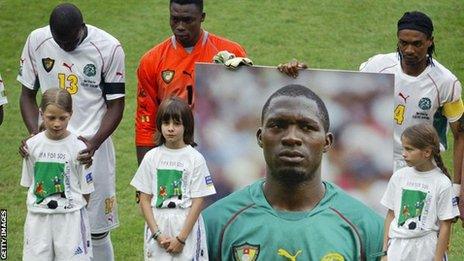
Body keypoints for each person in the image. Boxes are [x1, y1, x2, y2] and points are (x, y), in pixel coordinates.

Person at [278, 11, 464, 222]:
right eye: (403, 43)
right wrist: (302, 74)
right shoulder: (378, 65)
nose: (409, 50)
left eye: (417, 44)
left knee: (417, 234)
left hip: (420, 168)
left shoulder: (446, 82)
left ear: (430, 41)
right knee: (371, 231)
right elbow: (343, 87)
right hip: (385, 158)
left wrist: (458, 189)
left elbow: (460, 135)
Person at [202, 84, 384, 260]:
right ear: (260, 137)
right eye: (278, 125)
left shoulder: (369, 229)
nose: (291, 138)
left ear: (327, 142)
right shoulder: (214, 223)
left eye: (307, 127)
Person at [17, 3, 125, 260]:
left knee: (97, 231)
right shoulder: (37, 40)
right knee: (49, 225)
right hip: (49, 150)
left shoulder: (109, 47)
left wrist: (94, 143)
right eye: (59, 41)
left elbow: (116, 104)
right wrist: (36, 136)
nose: (65, 46)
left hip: (90, 150)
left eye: (71, 41)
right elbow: (26, 95)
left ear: (82, 28)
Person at [135, 0, 247, 164]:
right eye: (174, 19)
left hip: (216, 150)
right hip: (172, 152)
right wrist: (145, 177)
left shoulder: (231, 53)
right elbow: (146, 121)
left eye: (187, 20)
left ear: (202, 17)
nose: (180, 26)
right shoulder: (151, 60)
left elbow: (244, 103)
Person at [131, 96, 216, 260]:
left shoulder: (195, 159)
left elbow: (198, 200)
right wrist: (157, 234)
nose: (170, 128)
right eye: (166, 123)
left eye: (177, 124)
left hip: (186, 227)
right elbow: (144, 199)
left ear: (187, 126)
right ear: (159, 125)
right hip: (158, 225)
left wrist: (181, 238)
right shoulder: (151, 157)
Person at [21, 89, 94, 260]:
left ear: (71, 114)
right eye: (51, 117)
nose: (56, 124)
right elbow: (30, 183)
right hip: (38, 219)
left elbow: (86, 190)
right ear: (41, 113)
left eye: (62, 118)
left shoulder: (81, 148)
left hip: (71, 219)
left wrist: (72, 207)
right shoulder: (31, 146)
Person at [381, 123, 458, 260]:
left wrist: (438, 258)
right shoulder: (399, 176)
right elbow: (391, 214)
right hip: (398, 249)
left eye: (409, 149)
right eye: (403, 148)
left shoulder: (442, 183)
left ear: (427, 152)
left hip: (426, 250)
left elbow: (445, 225)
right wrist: (385, 252)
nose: (404, 154)